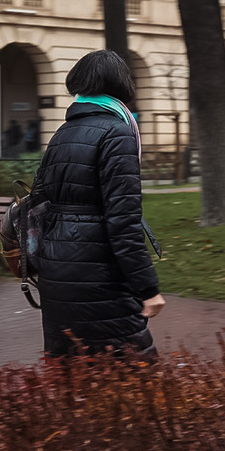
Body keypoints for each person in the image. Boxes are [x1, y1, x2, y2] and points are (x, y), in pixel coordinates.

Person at [34, 50, 165, 359]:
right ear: (122, 84)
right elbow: (123, 221)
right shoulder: (117, 133)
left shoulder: (62, 134)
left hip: (55, 270)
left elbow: (40, 201)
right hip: (98, 275)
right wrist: (148, 289)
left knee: (71, 372)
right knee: (133, 372)